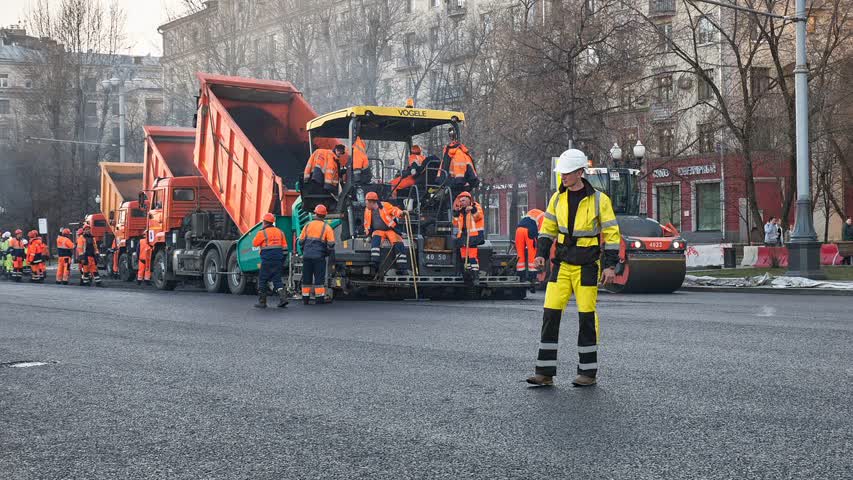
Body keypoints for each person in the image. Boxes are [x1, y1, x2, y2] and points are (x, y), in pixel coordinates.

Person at [526, 148, 621, 388]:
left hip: (587, 266)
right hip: (562, 265)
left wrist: (610, 267)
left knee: (587, 318)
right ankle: (544, 372)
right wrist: (540, 255)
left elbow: (611, 235)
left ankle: (587, 373)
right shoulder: (557, 198)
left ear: (580, 172)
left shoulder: (600, 200)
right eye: (561, 173)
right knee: (550, 315)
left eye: (567, 173)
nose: (563, 177)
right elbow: (547, 230)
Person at [363, 191, 409, 275]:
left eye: (366, 202)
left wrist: (401, 213)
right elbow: (366, 223)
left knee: (398, 242)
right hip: (378, 231)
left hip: (390, 229)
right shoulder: (367, 210)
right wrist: (368, 234)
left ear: (372, 202)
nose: (365, 204)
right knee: (375, 241)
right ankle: (374, 262)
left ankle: (402, 268)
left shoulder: (385, 206)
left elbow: (394, 210)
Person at [298, 204, 336, 305]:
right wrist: (327, 251)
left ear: (315, 213)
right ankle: (319, 300)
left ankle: (305, 299)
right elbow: (331, 243)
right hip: (319, 257)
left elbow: (301, 241)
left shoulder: (307, 225)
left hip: (307, 256)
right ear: (325, 215)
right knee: (319, 279)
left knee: (306, 278)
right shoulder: (327, 227)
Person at [251, 212, 289, 309]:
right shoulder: (280, 232)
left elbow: (255, 243)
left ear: (264, 222)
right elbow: (285, 248)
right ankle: (283, 299)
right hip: (278, 260)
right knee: (277, 280)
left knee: (263, 280)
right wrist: (282, 260)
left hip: (267, 260)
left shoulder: (262, 232)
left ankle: (262, 302)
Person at [453, 191, 485, 275]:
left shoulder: (476, 206)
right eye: (460, 201)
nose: (461, 203)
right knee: (464, 258)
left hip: (473, 237)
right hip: (463, 238)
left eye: (463, 201)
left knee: (472, 258)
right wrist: (455, 214)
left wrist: (472, 209)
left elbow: (478, 217)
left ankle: (475, 276)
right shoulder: (461, 212)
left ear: (468, 200)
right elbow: (455, 224)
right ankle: (467, 275)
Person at [440, 127, 478, 194]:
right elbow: (470, 171)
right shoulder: (463, 154)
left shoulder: (450, 153)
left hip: (454, 185)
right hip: (458, 184)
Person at [515, 209, 545, 283]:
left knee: (520, 254)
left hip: (519, 230)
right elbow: (541, 233)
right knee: (532, 254)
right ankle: (532, 277)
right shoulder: (544, 217)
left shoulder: (532, 212)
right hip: (529, 231)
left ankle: (520, 276)